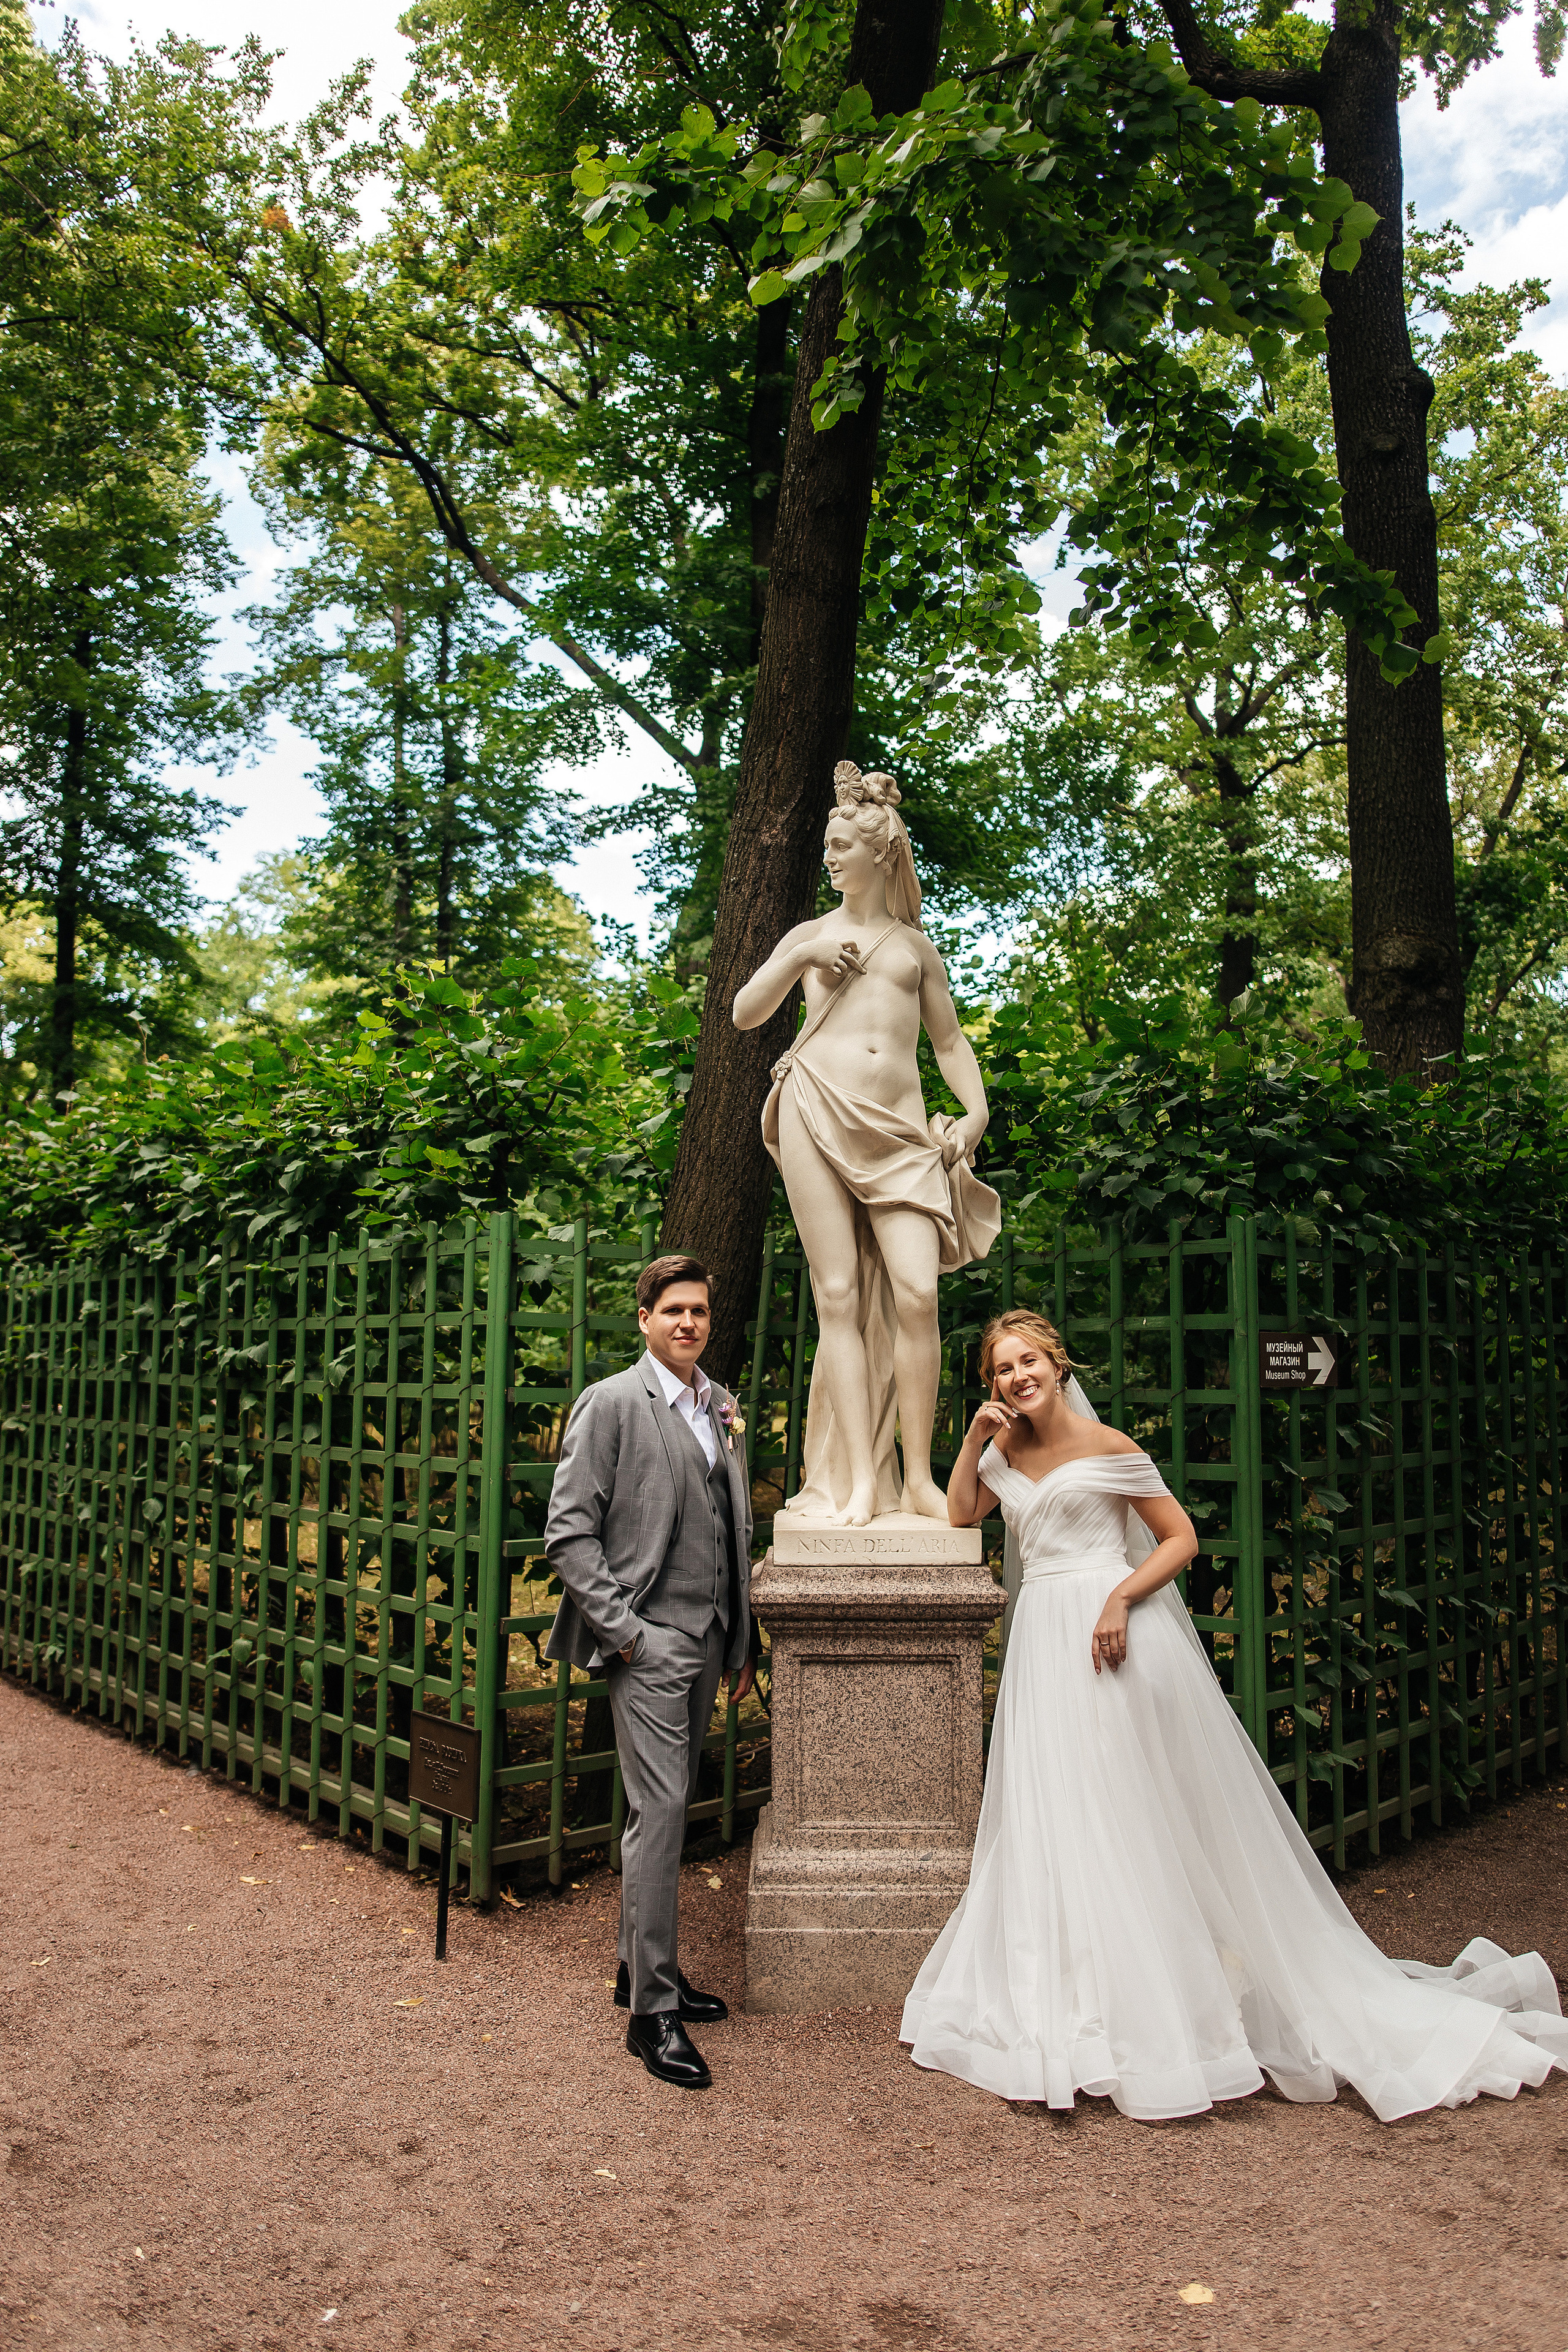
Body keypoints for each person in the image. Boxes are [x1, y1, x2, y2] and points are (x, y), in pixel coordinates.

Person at [900, 1306, 1568, 2122]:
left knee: (1121, 1810)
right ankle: (1072, 2005)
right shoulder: (1004, 1449)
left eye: (1028, 1362)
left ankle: (1160, 2009)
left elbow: (1180, 1539)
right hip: (1041, 1639)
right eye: (1002, 1369)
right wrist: (971, 1440)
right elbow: (962, 1513)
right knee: (1051, 1810)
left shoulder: (1112, 1450)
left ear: (1057, 1363)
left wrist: (1120, 1595)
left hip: (1109, 1637)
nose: (1018, 1377)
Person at [733, 761, 1000, 1526]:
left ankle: (915, 1476)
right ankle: (856, 1483)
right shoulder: (810, 936)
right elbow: (746, 1015)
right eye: (826, 844)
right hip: (815, 1110)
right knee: (839, 1298)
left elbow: (948, 1043)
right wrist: (798, 959)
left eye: (842, 844)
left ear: (880, 852)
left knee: (919, 1294)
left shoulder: (915, 947)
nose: (829, 856)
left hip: (903, 1134)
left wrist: (974, 1113)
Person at [545, 1255, 756, 2089]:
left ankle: (642, 1972)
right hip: (649, 1642)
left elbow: (731, 1527)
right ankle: (651, 2017)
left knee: (663, 1811)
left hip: (707, 1643)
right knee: (663, 1813)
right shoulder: (613, 1404)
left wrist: (737, 1640)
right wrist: (629, 1635)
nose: (688, 1324)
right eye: (673, 1310)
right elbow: (568, 1533)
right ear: (644, 1318)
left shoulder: (721, 1405)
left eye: (699, 1311)